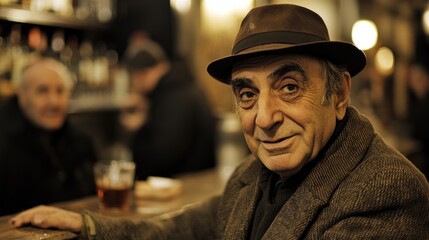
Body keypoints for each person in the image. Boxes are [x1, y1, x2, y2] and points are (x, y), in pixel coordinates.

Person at [9, 4, 429, 239]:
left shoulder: (386, 190)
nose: (264, 118)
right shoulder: (252, 175)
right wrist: (86, 224)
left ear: (338, 94)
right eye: (247, 94)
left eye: (288, 87)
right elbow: (189, 227)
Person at [0, 57, 97, 216]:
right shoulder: (4, 144)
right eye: (42, 91)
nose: (54, 102)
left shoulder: (81, 142)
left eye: (60, 91)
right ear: (22, 97)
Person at [119, 38, 217, 179]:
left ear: (142, 74)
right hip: (196, 182)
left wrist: (137, 130)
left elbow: (161, 158)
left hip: (184, 188)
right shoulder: (180, 85)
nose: (133, 84)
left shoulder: (173, 96)